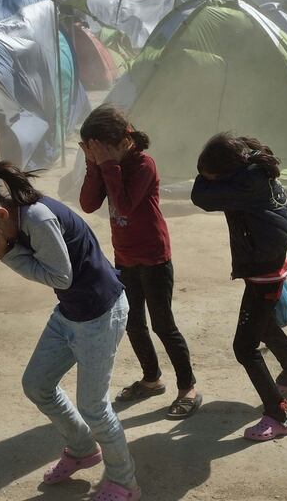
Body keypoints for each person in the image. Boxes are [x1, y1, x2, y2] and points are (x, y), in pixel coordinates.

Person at [0, 162, 141, 500]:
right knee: (36, 385)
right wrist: (1, 248)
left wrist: (5, 253)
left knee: (93, 408)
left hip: (100, 316)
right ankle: (83, 449)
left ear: (1, 216)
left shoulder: (37, 219)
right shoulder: (9, 213)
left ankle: (124, 483)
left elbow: (61, 277)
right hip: (70, 313)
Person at [78, 105, 200, 419]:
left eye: (101, 149)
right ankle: (151, 378)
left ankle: (188, 387)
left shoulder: (144, 164)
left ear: (123, 141)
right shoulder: (108, 165)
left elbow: (124, 205)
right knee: (132, 322)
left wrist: (107, 166)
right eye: (91, 149)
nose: (98, 155)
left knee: (163, 324)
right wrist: (94, 166)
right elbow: (88, 204)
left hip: (153, 256)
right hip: (125, 256)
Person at [190, 133, 287, 441]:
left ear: (227, 172)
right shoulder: (254, 172)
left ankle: (279, 416)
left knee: (244, 347)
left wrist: (209, 179)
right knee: (264, 325)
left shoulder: (245, 183)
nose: (209, 181)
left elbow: (200, 196)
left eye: (212, 175)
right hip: (267, 263)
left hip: (263, 271)